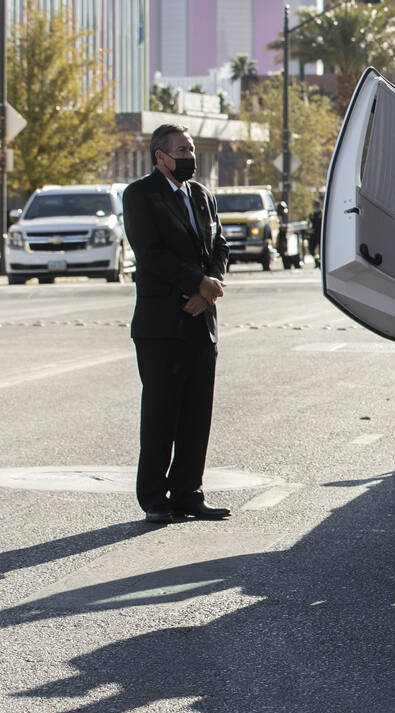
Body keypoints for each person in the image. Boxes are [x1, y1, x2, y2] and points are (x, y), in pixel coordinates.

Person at [122, 123, 230, 524]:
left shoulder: (201, 195)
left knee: (196, 413)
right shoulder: (139, 196)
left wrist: (210, 288)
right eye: (182, 149)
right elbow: (149, 253)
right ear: (160, 157)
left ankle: (189, 491)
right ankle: (154, 496)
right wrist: (195, 282)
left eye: (191, 148)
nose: (189, 155)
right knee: (161, 413)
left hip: (202, 319)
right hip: (161, 323)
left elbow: (220, 244)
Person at [306, 199, 322, 268]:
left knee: (321, 250)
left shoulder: (323, 213)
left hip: (321, 234)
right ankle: (317, 261)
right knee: (311, 249)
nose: (316, 207)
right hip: (313, 234)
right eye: (315, 206)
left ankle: (321, 262)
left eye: (317, 206)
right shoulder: (311, 214)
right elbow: (308, 223)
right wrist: (309, 229)